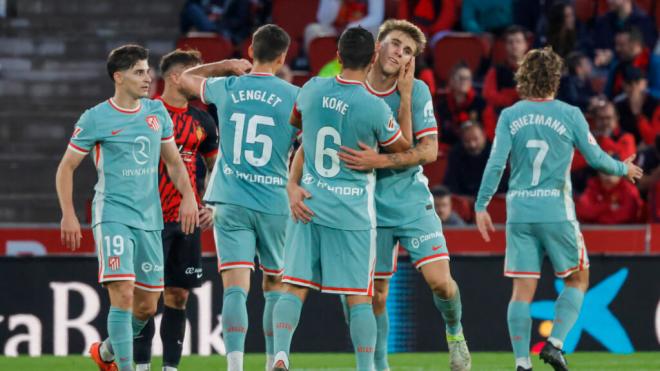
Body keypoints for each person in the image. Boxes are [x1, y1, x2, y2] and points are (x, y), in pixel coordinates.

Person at [474, 47, 642, 371]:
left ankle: (522, 364)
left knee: (521, 290)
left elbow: (496, 164)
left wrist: (481, 205)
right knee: (578, 280)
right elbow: (595, 158)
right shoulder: (570, 114)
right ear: (556, 78)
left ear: (523, 77)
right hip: (555, 210)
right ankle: (555, 343)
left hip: (519, 212)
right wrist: (624, 169)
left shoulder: (510, 115)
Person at [271, 26, 411, 371]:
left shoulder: (313, 88)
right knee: (359, 297)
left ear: (337, 56)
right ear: (373, 58)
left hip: (309, 203)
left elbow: (301, 132)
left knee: (293, 286)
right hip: (352, 213)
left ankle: (280, 354)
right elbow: (405, 148)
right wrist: (405, 97)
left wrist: (292, 182)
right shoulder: (375, 107)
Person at [55, 44, 200, 371]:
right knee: (122, 295)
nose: (148, 77)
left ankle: (106, 353)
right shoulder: (95, 118)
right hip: (112, 216)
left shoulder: (156, 113)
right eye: (139, 72)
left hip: (150, 220)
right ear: (118, 77)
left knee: (147, 307)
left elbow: (174, 163)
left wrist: (189, 195)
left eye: (147, 70)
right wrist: (68, 213)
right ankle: (124, 366)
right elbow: (66, 167)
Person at [337, 19, 471, 371]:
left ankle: (455, 332)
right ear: (378, 44)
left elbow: (428, 152)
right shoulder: (352, 87)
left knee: (441, 283)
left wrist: (407, 98)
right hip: (365, 206)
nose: (400, 53)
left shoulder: (418, 90)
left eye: (408, 50)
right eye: (396, 43)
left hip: (410, 200)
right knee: (376, 296)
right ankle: (381, 366)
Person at [180, 24, 298, 371]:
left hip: (229, 199)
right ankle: (277, 358)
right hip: (276, 201)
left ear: (250, 52)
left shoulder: (228, 86)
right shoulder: (295, 96)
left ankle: (234, 365)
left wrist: (224, 66)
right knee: (276, 283)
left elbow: (184, 79)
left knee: (235, 287)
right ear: (283, 57)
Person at [132, 49, 219, 371]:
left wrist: (211, 204)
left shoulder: (203, 120)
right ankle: (140, 365)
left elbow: (215, 167)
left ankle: (170, 367)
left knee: (178, 296)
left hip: (187, 221)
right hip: (149, 218)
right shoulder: (146, 113)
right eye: (196, 75)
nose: (202, 83)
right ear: (173, 77)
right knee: (145, 300)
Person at [444, 122, 506, 197]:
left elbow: (502, 184)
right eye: (467, 141)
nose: (472, 145)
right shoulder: (455, 154)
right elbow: (451, 183)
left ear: (484, 136)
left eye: (476, 139)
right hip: (465, 199)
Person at [437, 62, 486, 145]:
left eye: (467, 78)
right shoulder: (442, 106)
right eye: (460, 78)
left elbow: (488, 132)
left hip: (475, 149)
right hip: (449, 151)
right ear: (451, 80)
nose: (464, 81)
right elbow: (438, 135)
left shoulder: (481, 104)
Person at [576, 168, 643, 224]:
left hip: (625, 233)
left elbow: (628, 214)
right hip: (597, 233)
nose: (608, 174)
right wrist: (609, 206)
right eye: (604, 170)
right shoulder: (593, 186)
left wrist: (598, 215)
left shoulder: (629, 189)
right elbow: (582, 210)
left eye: (613, 169)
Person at [615, 66, 660, 146]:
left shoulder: (656, 104)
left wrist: (638, 115)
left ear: (644, 84)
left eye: (636, 83)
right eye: (629, 83)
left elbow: (653, 139)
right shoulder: (618, 106)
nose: (633, 88)